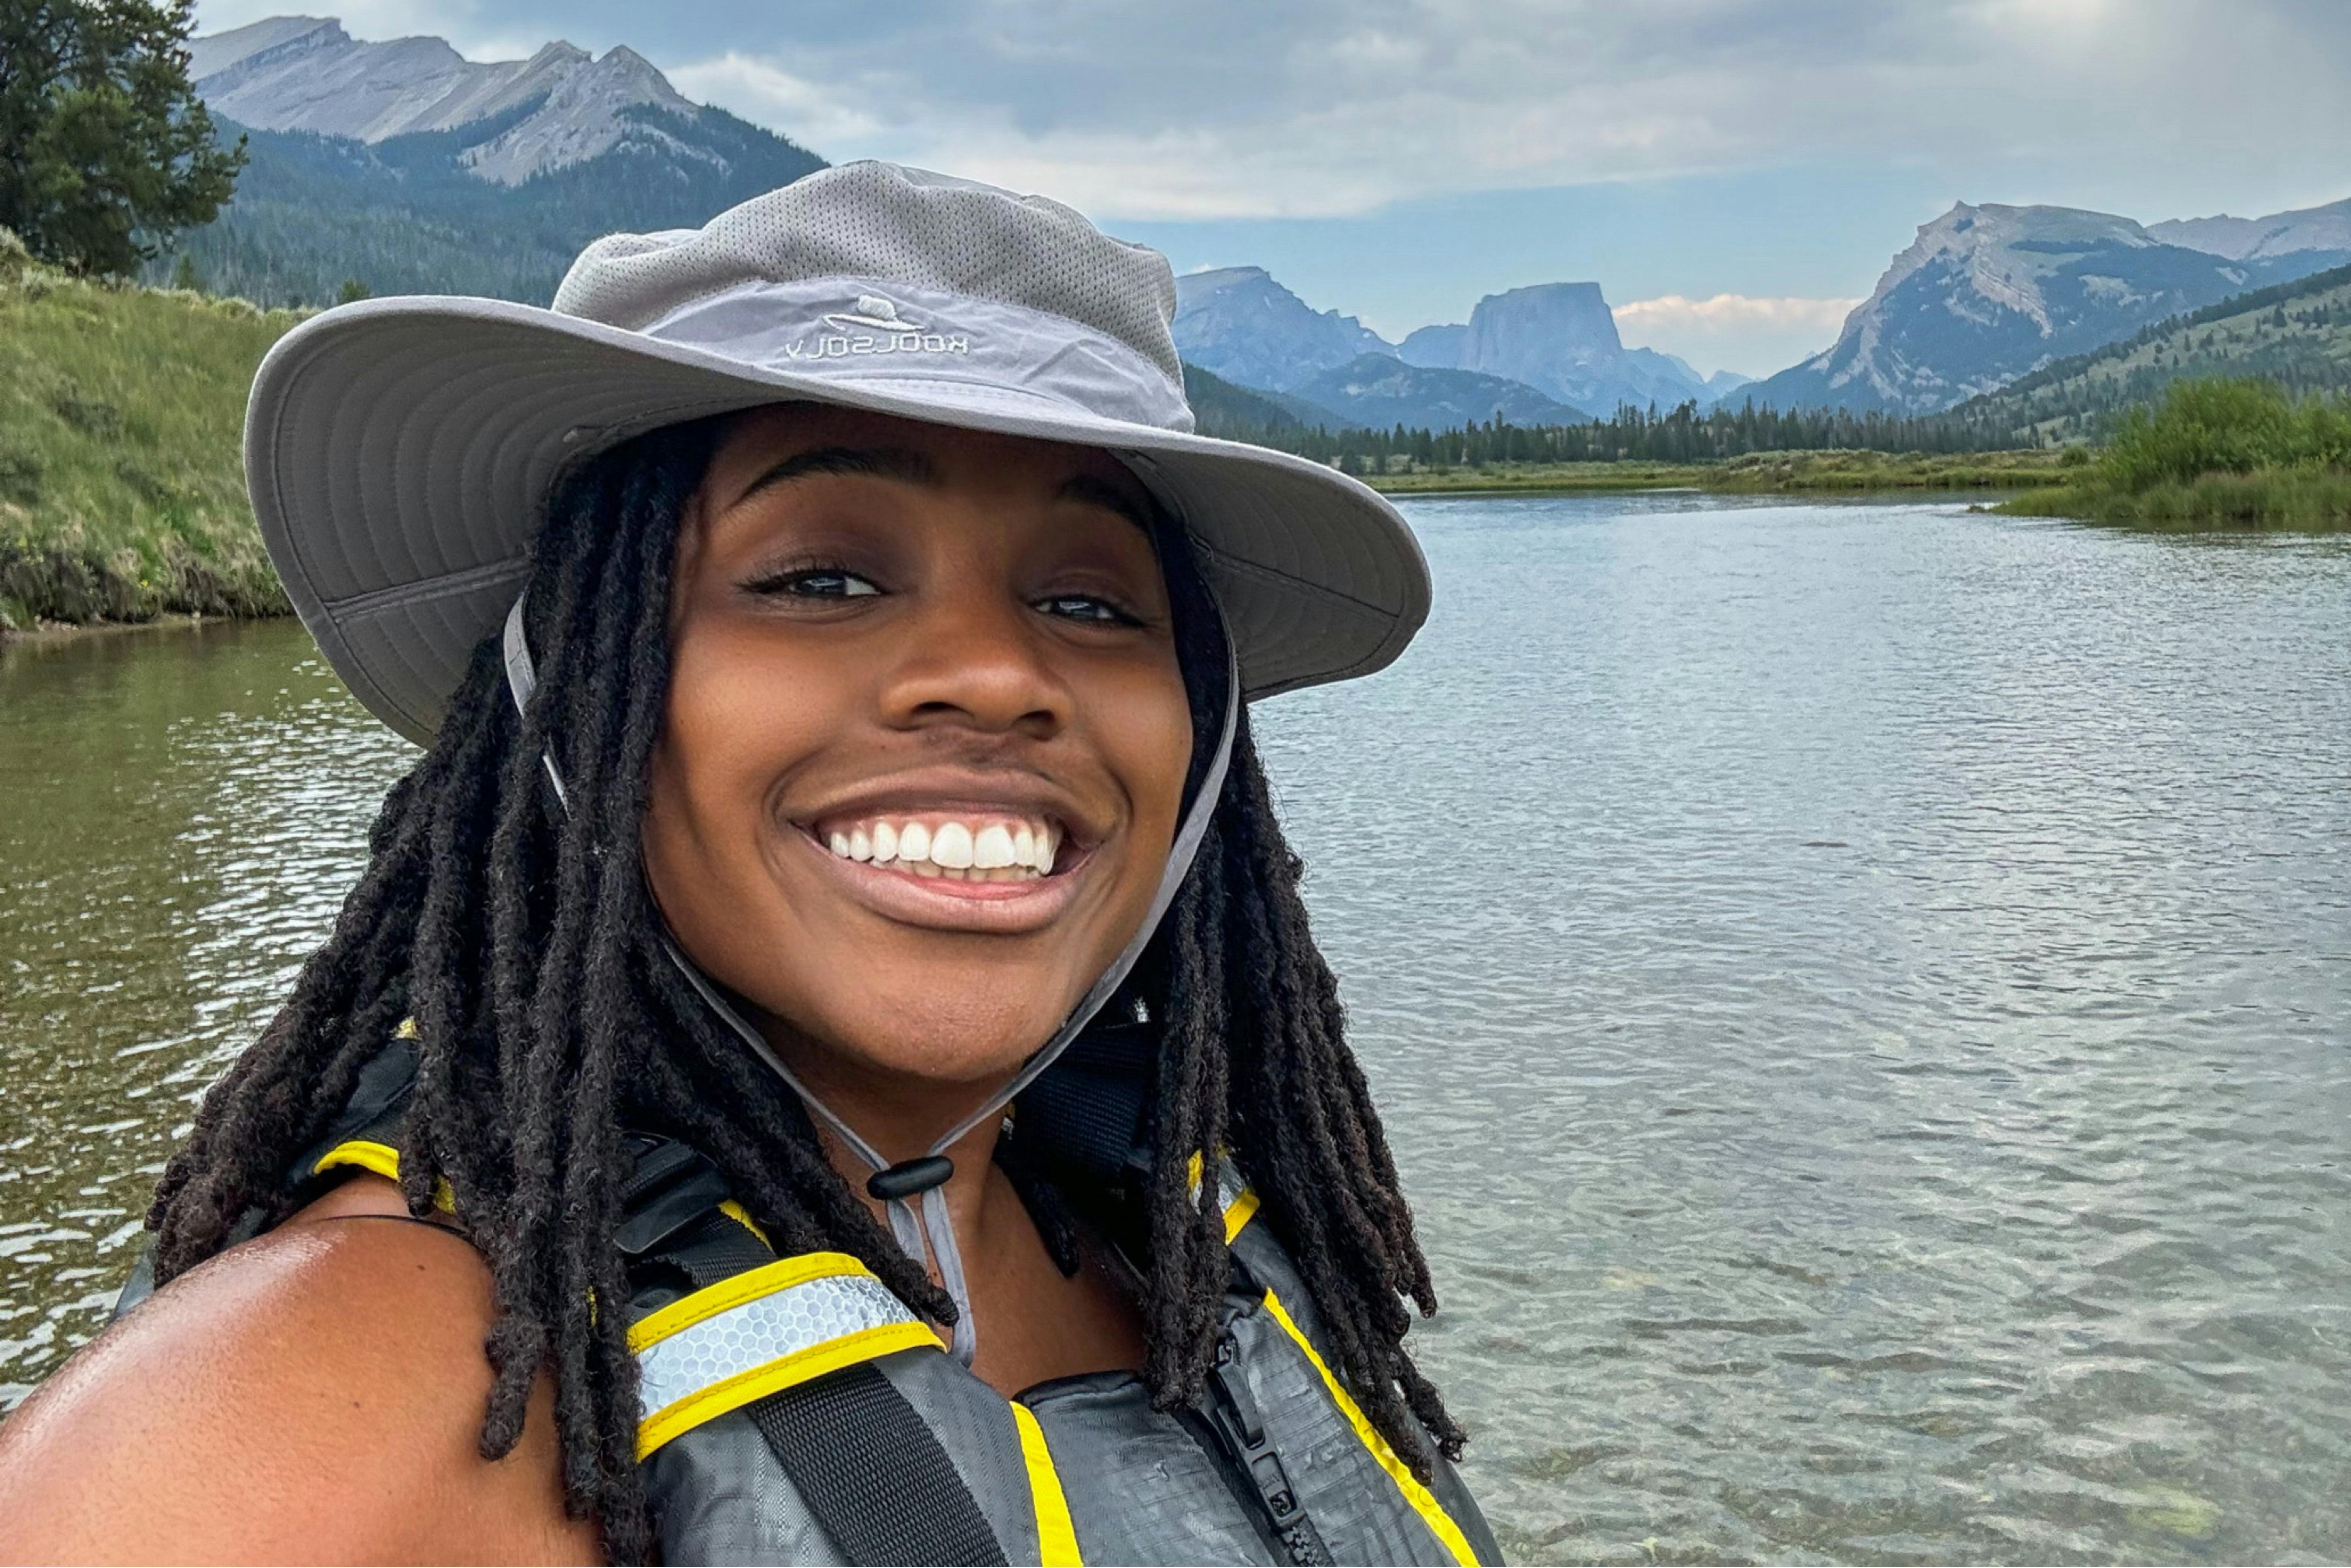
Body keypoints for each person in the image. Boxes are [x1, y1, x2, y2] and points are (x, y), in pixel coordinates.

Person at [0, 162, 1498, 1566]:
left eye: (1094, 603)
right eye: (820, 576)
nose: (992, 673)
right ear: (579, 687)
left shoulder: (1184, 1218)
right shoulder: (321, 1400)